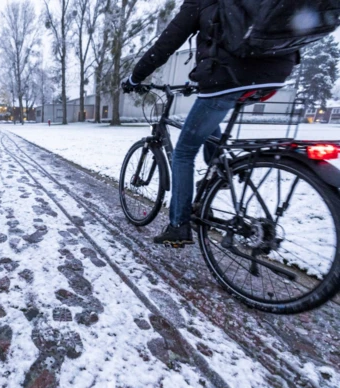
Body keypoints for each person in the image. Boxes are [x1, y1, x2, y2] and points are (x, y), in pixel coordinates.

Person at [123, 0, 297, 247]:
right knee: (208, 126)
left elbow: (166, 43)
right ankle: (219, 172)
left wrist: (134, 77)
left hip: (231, 76)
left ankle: (178, 225)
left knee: (183, 153)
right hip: (273, 73)